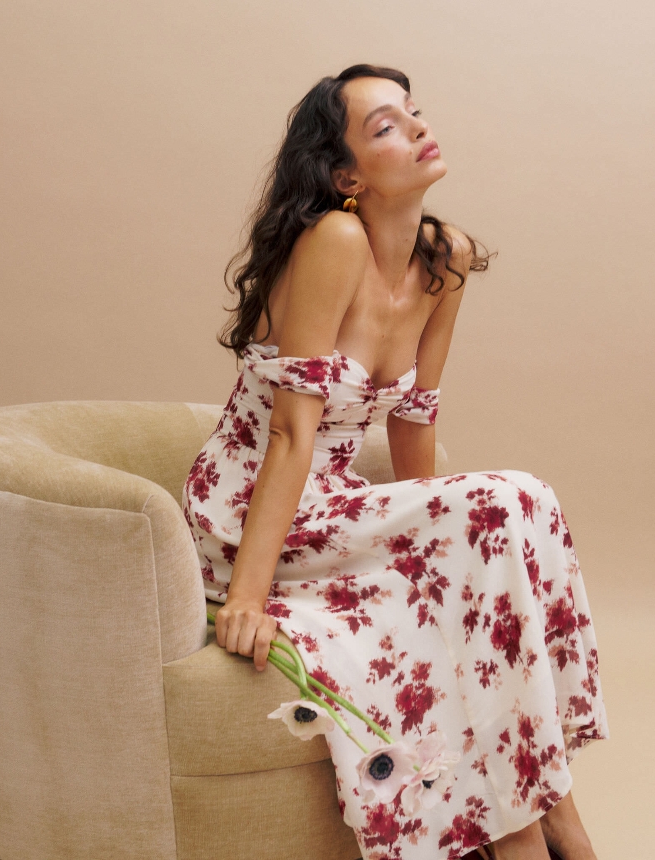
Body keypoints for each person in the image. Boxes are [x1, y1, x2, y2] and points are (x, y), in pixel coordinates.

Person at [182, 63, 608, 860]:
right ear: (346, 175)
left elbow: (416, 419)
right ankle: (553, 822)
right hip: (247, 512)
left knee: (518, 509)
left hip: (336, 505)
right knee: (506, 499)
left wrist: (439, 551)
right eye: (384, 126)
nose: (415, 128)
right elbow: (288, 436)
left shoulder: (445, 258)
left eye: (413, 113)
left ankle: (535, 814)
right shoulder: (333, 241)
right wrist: (245, 594)